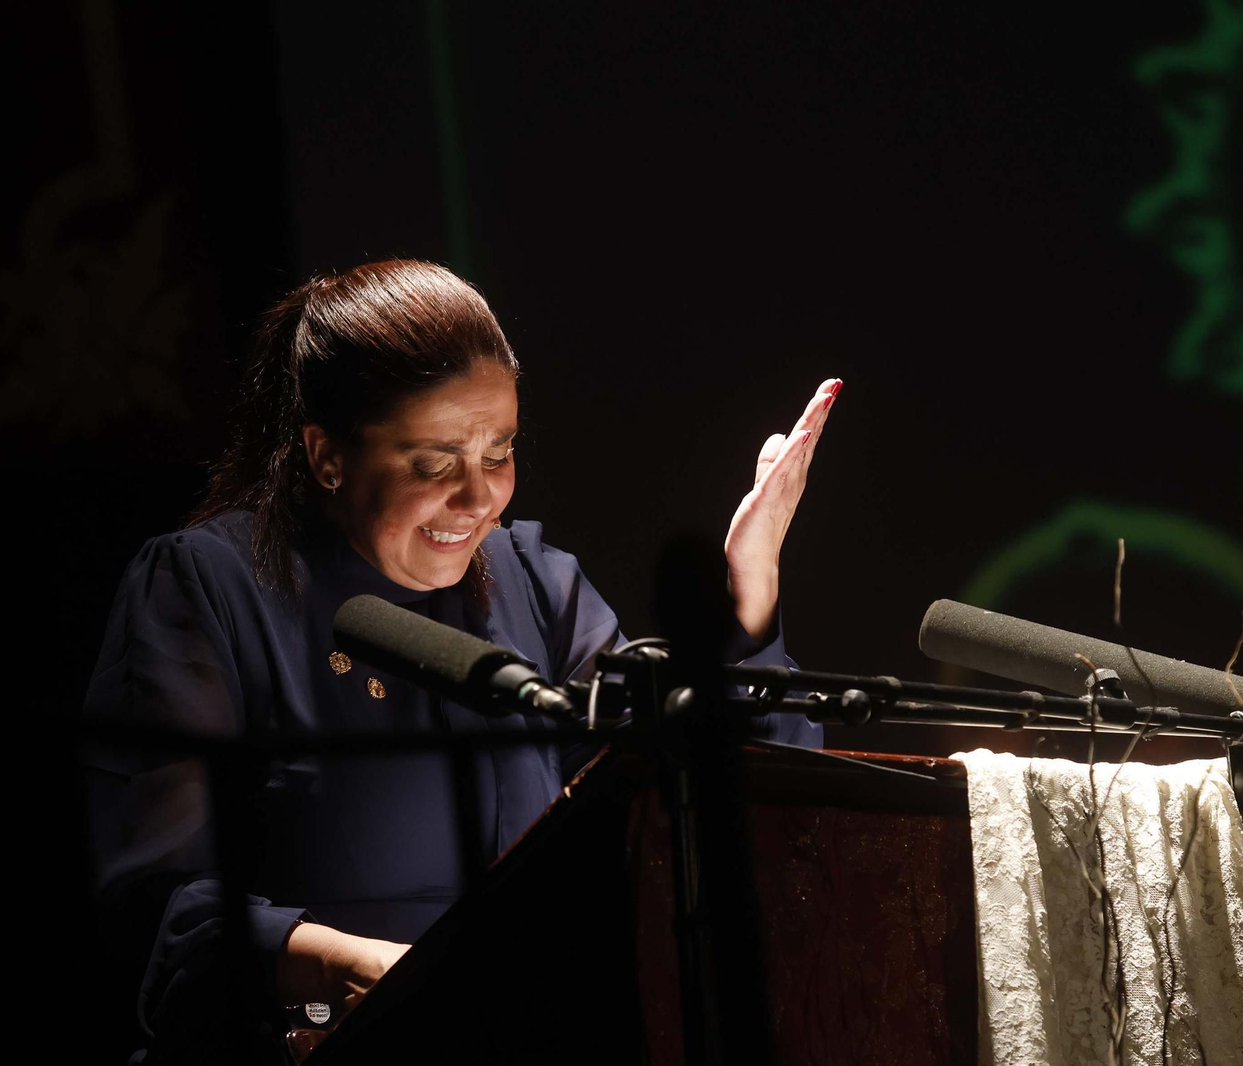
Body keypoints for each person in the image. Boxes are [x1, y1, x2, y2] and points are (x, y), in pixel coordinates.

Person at [83, 258, 838, 1062]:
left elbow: (698, 809)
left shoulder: (533, 580)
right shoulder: (205, 586)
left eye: (499, 452)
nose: (479, 498)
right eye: (435, 462)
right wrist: (361, 974)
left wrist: (748, 596)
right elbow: (161, 911)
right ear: (327, 455)